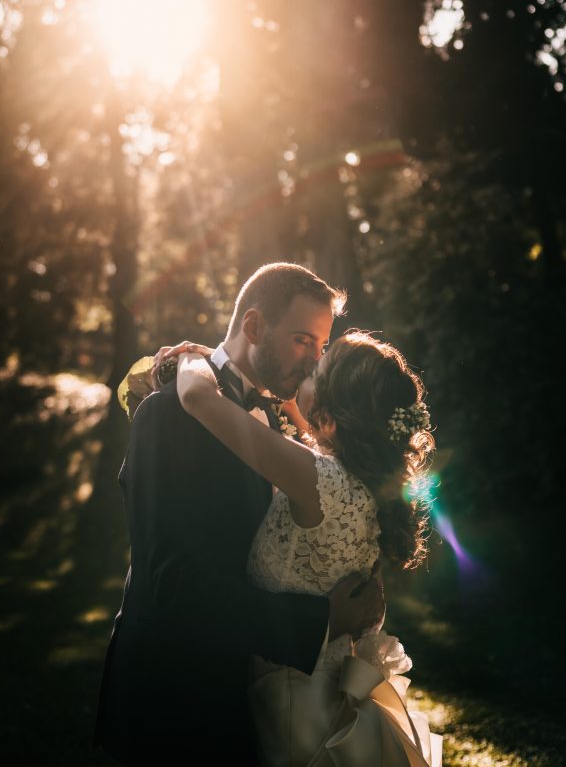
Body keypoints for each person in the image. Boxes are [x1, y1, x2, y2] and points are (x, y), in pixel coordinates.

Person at [94, 263, 385, 765]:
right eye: (302, 341)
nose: (314, 362)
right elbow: (174, 582)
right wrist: (320, 620)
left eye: (320, 346)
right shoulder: (169, 414)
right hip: (172, 701)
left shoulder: (270, 416)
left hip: (242, 694)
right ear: (253, 327)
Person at [171, 329, 442, 767]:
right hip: (324, 686)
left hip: (293, 704)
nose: (306, 368)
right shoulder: (366, 483)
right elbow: (306, 430)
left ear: (330, 418)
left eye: (317, 369)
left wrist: (193, 358)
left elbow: (198, 399)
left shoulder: (320, 482)